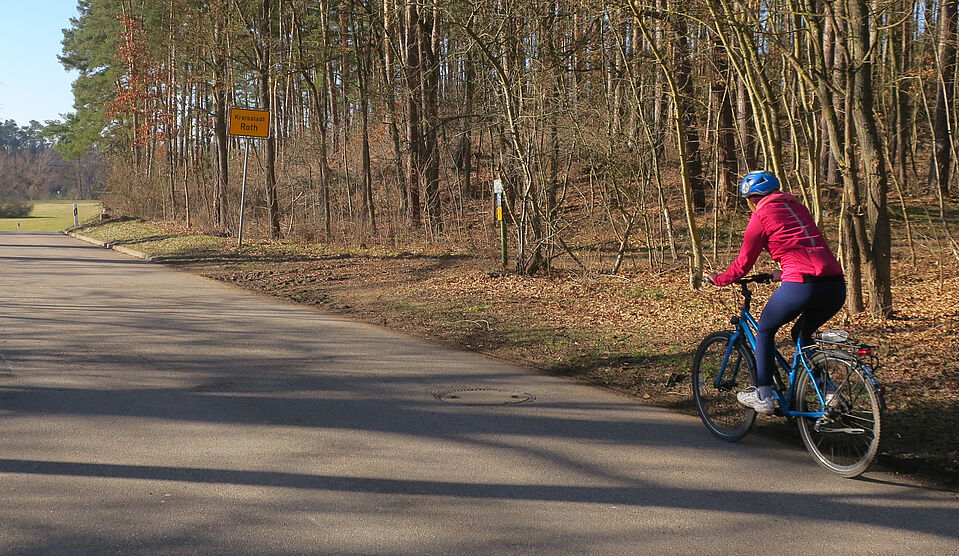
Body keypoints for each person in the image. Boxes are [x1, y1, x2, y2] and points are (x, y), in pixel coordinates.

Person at [705, 170, 845, 414]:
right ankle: (828, 391)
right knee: (802, 333)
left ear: (753, 199)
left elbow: (744, 263)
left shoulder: (761, 216)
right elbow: (806, 247)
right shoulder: (799, 209)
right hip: (835, 285)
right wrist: (782, 273)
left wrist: (719, 279)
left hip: (802, 286)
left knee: (765, 330)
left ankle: (764, 395)